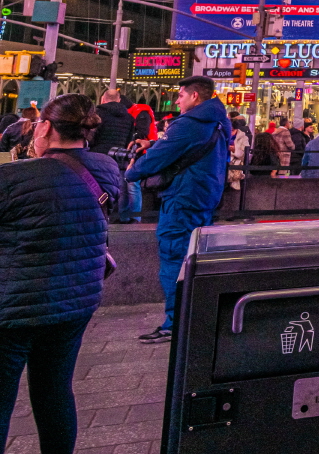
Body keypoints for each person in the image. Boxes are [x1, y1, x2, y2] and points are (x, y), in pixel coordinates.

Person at [0, 94, 122, 454]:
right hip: (75, 303)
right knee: (54, 390)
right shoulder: (106, 169)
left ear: (47, 127)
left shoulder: (13, 176)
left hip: (13, 308)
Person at [125, 76, 230, 343]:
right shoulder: (217, 121)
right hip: (205, 196)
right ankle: (194, 317)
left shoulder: (188, 124)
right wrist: (155, 143)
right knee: (194, 259)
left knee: (174, 258)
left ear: (195, 96)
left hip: (182, 198)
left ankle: (176, 323)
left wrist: (132, 171)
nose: (177, 100)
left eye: (181, 95)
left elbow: (157, 160)